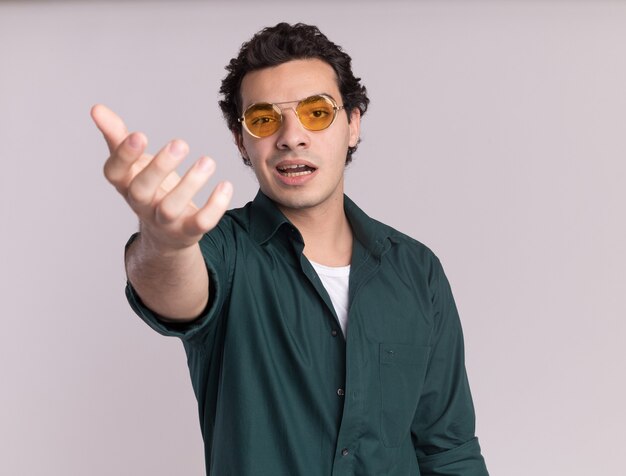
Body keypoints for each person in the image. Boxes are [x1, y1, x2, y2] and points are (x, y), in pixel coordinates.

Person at [92, 22, 489, 476]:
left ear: (352, 125)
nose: (291, 136)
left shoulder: (416, 270)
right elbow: (174, 290)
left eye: (316, 112)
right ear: (242, 141)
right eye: (264, 119)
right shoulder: (225, 249)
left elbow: (448, 449)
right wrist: (164, 244)